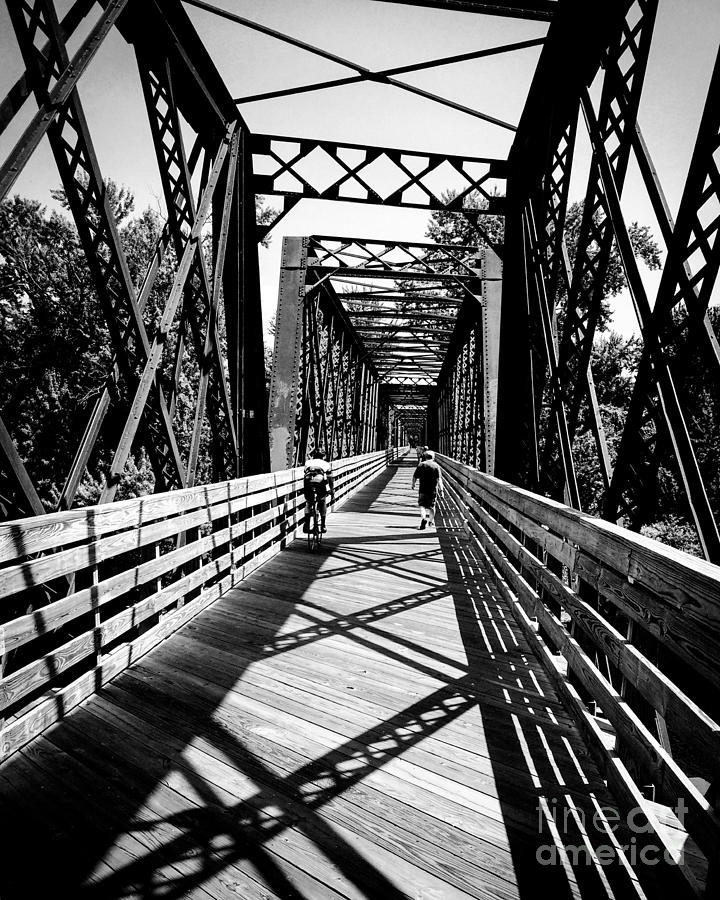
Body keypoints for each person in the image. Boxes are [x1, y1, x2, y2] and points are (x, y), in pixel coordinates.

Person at [303, 448, 335, 533]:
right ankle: (323, 526)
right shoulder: (326, 464)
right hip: (320, 484)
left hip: (308, 484)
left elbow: (305, 475)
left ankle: (306, 524)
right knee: (322, 501)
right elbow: (330, 480)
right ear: (323, 456)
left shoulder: (308, 463)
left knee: (309, 502)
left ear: (313, 455)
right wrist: (332, 493)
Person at [412, 450, 444, 530]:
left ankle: (423, 519)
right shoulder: (436, 466)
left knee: (422, 506)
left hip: (422, 489)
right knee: (432, 506)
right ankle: (430, 521)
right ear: (433, 457)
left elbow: (415, 476)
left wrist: (413, 484)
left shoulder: (421, 465)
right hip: (432, 490)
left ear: (425, 457)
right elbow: (439, 479)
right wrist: (441, 490)